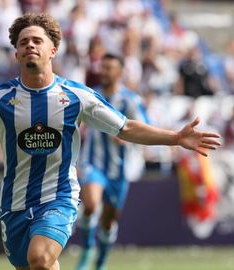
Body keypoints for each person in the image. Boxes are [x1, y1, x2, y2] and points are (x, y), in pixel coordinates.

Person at [0, 13, 221, 270]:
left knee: (40, 259)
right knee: (35, 264)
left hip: (59, 196)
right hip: (14, 204)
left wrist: (175, 137)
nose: (29, 45)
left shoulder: (78, 97)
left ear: (52, 51)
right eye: (22, 42)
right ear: (16, 54)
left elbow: (125, 128)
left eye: (37, 40)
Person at [76, 53, 150, 270]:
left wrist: (126, 139)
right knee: (90, 204)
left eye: (110, 68)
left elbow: (144, 126)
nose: (105, 72)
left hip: (118, 169)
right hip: (92, 163)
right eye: (103, 67)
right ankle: (88, 249)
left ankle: (100, 262)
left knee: (109, 221)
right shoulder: (90, 95)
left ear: (120, 72)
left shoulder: (130, 100)